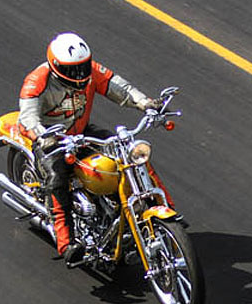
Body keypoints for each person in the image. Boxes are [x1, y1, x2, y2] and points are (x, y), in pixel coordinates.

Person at [17, 32, 166, 265]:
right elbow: (28, 118)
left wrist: (145, 103)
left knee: (131, 152)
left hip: (81, 131)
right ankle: (66, 242)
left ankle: (162, 207)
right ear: (56, 65)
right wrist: (43, 137)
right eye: (72, 69)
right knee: (57, 179)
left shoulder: (91, 71)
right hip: (50, 140)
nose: (79, 74)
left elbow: (120, 88)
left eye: (82, 67)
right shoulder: (37, 81)